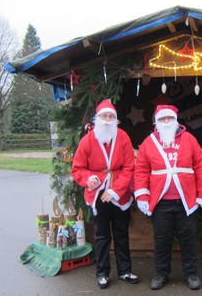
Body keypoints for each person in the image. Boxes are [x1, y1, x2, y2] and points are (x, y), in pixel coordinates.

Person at [134, 104, 202, 291]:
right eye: (162, 119)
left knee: (189, 239)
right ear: (157, 121)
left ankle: (191, 273)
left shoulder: (189, 140)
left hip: (186, 202)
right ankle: (161, 273)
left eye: (169, 118)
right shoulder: (148, 143)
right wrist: (142, 197)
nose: (166, 122)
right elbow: (141, 172)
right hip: (161, 203)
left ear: (176, 120)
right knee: (162, 240)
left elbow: (201, 167)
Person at [71, 99, 139, 289]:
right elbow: (77, 169)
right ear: (97, 119)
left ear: (116, 120)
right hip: (97, 196)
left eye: (111, 117)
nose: (108, 120)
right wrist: (88, 179)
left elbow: (129, 167)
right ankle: (102, 273)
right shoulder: (87, 141)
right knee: (101, 236)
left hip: (119, 195)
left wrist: (115, 190)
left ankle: (125, 271)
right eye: (104, 116)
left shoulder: (123, 137)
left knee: (121, 234)